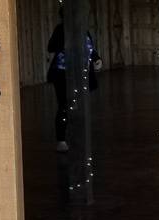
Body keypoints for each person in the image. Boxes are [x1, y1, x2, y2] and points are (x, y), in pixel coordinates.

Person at [47, 10, 102, 152]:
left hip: (81, 74)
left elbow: (91, 49)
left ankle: (77, 137)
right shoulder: (60, 30)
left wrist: (97, 59)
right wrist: (65, 43)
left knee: (79, 107)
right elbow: (51, 47)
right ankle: (61, 140)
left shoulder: (83, 31)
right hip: (62, 74)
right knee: (64, 106)